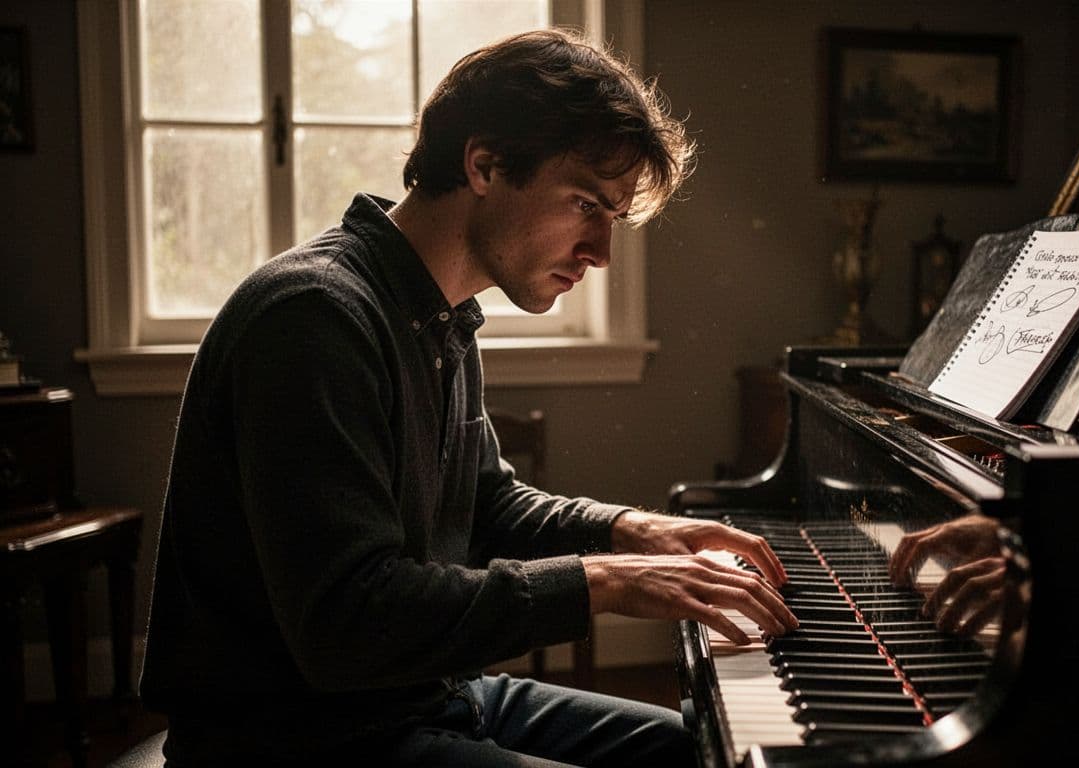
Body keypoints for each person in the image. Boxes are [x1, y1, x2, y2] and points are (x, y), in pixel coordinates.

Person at [139, 28, 797, 768]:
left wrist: (632, 532)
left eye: (611, 218)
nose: (601, 254)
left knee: (702, 752)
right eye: (586, 204)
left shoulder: (438, 313)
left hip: (424, 698)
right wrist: (607, 581)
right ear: (484, 164)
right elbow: (348, 622)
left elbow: (486, 506)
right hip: (301, 739)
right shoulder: (312, 316)